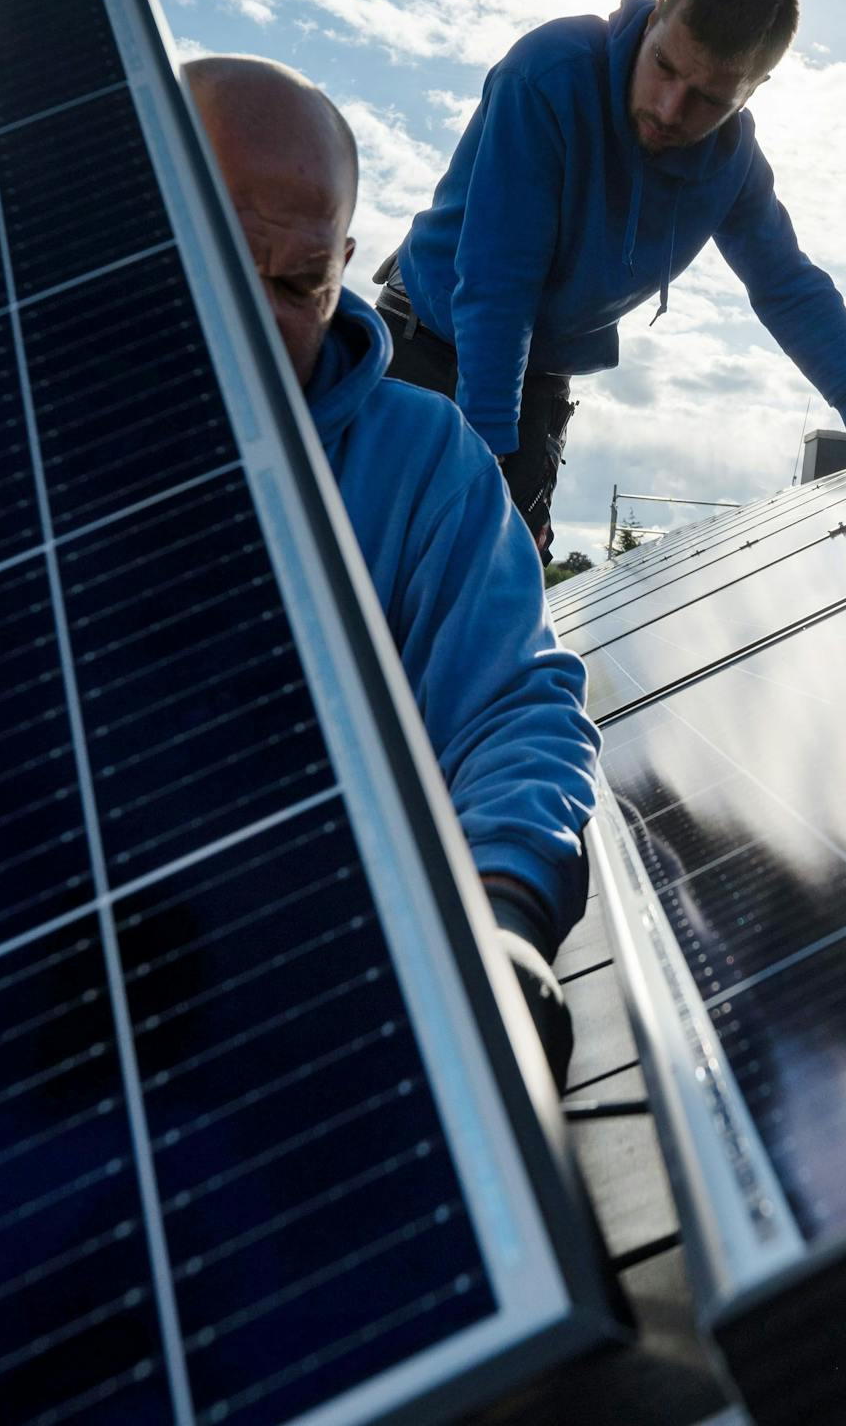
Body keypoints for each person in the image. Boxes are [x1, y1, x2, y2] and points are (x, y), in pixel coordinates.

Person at [182, 54, 598, 1085]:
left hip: (298, 1026)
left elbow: (509, 706)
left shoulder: (422, 463)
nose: (257, 319)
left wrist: (500, 917)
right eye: (219, 259)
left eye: (299, 283)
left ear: (346, 265)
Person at [375, 0, 846, 556]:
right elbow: (499, 280)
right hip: (427, 341)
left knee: (502, 579)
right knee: (398, 559)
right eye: (664, 66)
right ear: (657, 15)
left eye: (708, 98)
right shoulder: (548, 74)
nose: (670, 110)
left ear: (754, 89)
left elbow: (789, 288)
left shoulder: (734, 163)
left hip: (538, 371)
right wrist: (486, 466)